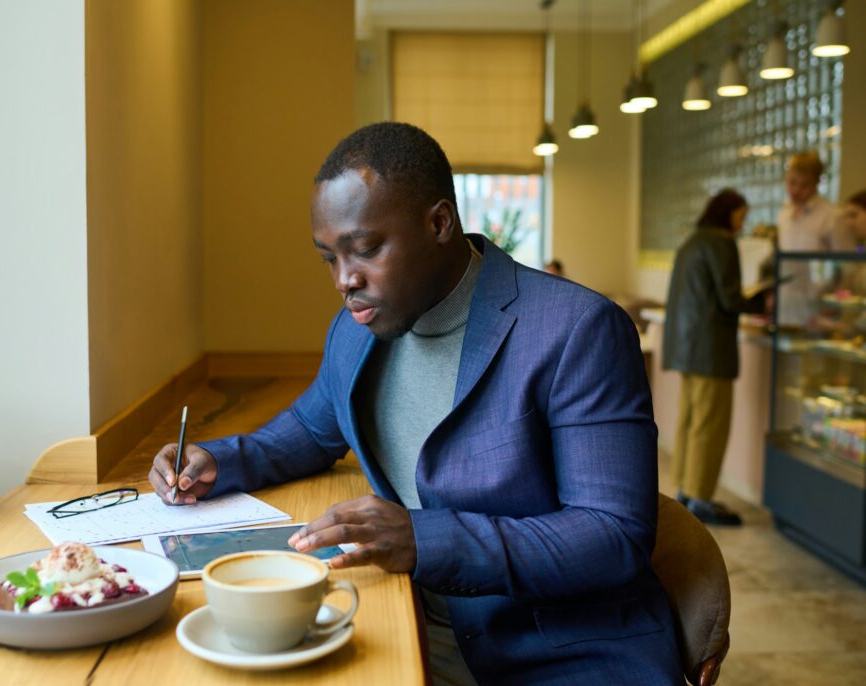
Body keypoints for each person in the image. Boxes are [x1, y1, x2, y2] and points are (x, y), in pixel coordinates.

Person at [149, 122, 683, 685]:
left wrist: (422, 537)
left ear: (439, 223)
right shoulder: (356, 331)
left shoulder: (577, 330)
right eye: (328, 258)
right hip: (408, 624)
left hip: (556, 653)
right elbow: (309, 429)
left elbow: (612, 536)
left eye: (365, 249)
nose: (344, 280)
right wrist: (217, 461)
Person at [663, 189, 766, 527]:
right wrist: (760, 300)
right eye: (741, 215)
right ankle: (701, 498)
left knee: (691, 420)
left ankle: (687, 490)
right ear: (728, 213)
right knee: (711, 425)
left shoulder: (692, 242)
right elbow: (730, 298)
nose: (742, 223)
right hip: (710, 348)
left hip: (685, 346)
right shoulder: (721, 243)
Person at [776, 151, 853, 326]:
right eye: (791, 182)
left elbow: (848, 268)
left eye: (804, 185)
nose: (795, 190)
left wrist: (833, 304)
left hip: (818, 308)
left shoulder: (831, 216)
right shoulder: (784, 213)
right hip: (786, 307)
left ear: (816, 183)